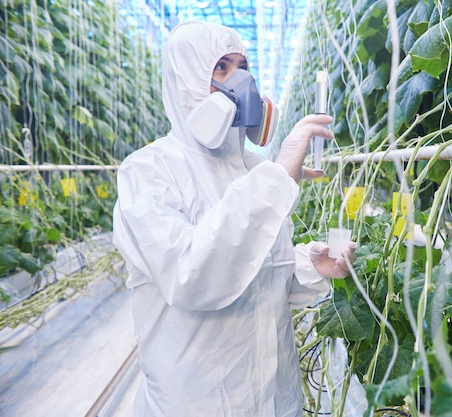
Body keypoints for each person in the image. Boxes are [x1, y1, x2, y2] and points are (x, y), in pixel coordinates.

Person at [112, 20, 356, 417]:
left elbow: (256, 276)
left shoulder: (252, 170)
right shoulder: (148, 172)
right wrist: (275, 177)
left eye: (243, 67)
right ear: (185, 83)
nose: (240, 81)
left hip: (275, 397)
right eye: (221, 68)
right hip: (197, 402)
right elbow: (193, 275)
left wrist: (306, 267)